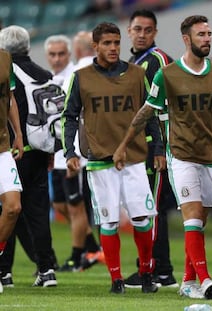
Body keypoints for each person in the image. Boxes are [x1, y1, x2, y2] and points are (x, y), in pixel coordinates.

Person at [112, 15, 212, 300]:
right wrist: (123, 145)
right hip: (180, 155)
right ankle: (205, 277)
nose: (207, 39)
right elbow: (147, 111)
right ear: (187, 39)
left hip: (209, 157)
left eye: (209, 34)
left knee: (198, 222)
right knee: (192, 217)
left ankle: (187, 281)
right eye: (201, 35)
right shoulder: (168, 74)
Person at [62, 22, 158, 294]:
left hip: (134, 159)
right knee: (109, 222)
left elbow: (149, 114)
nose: (113, 48)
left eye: (116, 42)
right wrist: (70, 152)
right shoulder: (81, 77)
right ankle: (116, 279)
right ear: (95, 46)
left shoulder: (138, 74)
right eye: (107, 43)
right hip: (99, 161)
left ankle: (146, 273)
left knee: (142, 219)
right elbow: (68, 116)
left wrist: (159, 150)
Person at [123, 9, 178, 289]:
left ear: (155, 32)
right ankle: (162, 270)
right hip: (142, 146)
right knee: (149, 207)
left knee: (152, 207)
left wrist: (160, 147)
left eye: (147, 30)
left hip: (156, 147)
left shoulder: (157, 61)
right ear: (129, 30)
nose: (142, 34)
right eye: (137, 29)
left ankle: (156, 270)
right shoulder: (136, 61)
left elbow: (164, 109)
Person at [0, 25, 58, 288]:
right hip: (39, 150)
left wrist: (17, 138)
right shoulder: (44, 74)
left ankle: (4, 271)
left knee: (10, 209)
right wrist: (49, 148)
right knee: (37, 212)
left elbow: (12, 104)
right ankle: (46, 269)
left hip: (13, 149)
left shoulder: (10, 68)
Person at [45, 34, 103, 272]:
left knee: (75, 206)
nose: (57, 59)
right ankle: (93, 248)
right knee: (59, 205)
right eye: (52, 54)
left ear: (72, 53)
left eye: (61, 54)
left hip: (73, 151)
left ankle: (77, 257)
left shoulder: (78, 73)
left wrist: (75, 152)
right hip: (58, 151)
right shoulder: (53, 78)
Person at [0, 46, 24, 294]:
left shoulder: (5, 59)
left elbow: (9, 98)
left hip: (2, 145)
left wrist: (18, 133)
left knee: (13, 206)